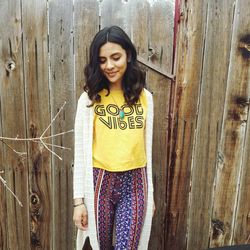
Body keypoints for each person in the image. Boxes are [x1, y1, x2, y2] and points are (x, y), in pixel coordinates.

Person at [73, 25, 154, 250]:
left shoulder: (145, 97)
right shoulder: (89, 100)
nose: (109, 65)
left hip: (135, 185)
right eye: (102, 60)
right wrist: (78, 202)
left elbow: (147, 151)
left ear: (128, 55)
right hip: (100, 183)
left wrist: (151, 196)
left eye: (115, 57)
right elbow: (80, 154)